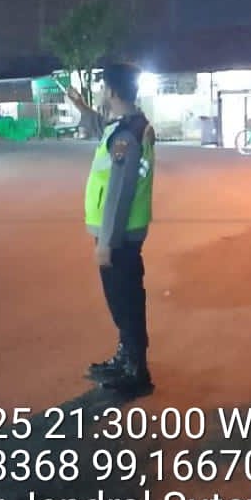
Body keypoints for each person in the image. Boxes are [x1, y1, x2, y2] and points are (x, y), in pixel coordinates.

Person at [67, 64, 156, 393]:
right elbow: (101, 127)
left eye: (104, 88)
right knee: (125, 299)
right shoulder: (129, 125)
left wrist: (106, 241)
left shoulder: (125, 136)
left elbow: (119, 190)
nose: (102, 92)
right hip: (126, 232)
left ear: (113, 92)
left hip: (120, 235)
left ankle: (136, 373)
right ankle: (126, 359)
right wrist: (80, 106)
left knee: (124, 302)